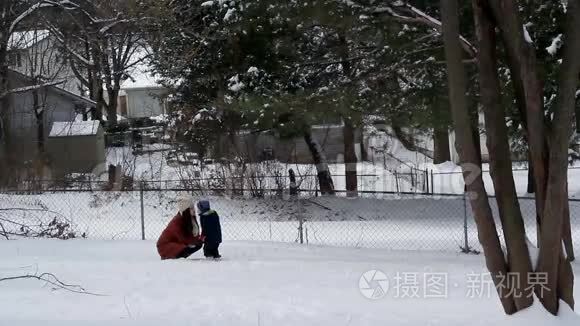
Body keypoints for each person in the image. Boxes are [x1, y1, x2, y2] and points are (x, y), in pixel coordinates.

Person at [156, 195, 204, 260]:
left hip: (176, 244)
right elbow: (183, 238)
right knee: (193, 246)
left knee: (198, 245)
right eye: (191, 208)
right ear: (186, 210)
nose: (194, 210)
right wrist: (197, 241)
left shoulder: (189, 219)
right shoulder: (177, 222)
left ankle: (180, 255)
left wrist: (200, 240)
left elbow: (191, 236)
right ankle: (174, 256)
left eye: (193, 208)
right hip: (165, 246)